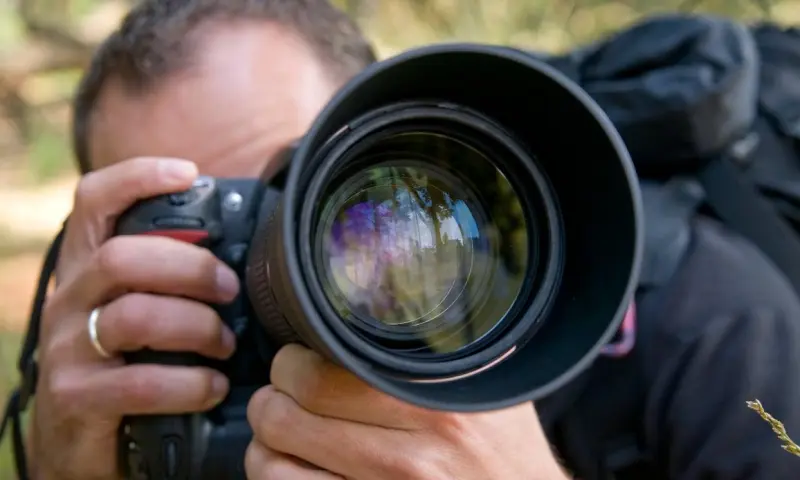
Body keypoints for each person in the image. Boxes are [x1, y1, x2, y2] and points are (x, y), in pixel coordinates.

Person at [26, 1, 800, 479]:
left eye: (293, 187)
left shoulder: (713, 327)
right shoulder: (146, 395)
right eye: (193, 220)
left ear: (394, 121)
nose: (264, 255)